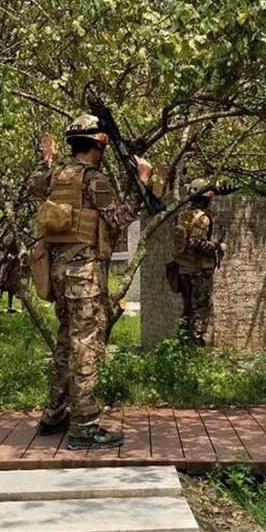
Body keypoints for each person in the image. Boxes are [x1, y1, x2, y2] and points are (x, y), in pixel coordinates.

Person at [27, 114, 151, 450]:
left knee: (66, 342)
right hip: (84, 276)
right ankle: (83, 428)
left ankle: (54, 414)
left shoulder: (55, 175)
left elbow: (33, 185)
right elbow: (118, 220)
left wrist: (46, 159)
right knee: (86, 346)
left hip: (58, 272)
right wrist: (141, 183)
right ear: (99, 145)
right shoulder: (94, 180)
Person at [171, 179, 226, 346]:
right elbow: (198, 245)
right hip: (199, 271)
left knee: (187, 308)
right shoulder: (202, 218)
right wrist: (217, 245)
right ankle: (196, 346)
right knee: (201, 309)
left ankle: (183, 343)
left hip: (183, 270)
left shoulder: (182, 215)